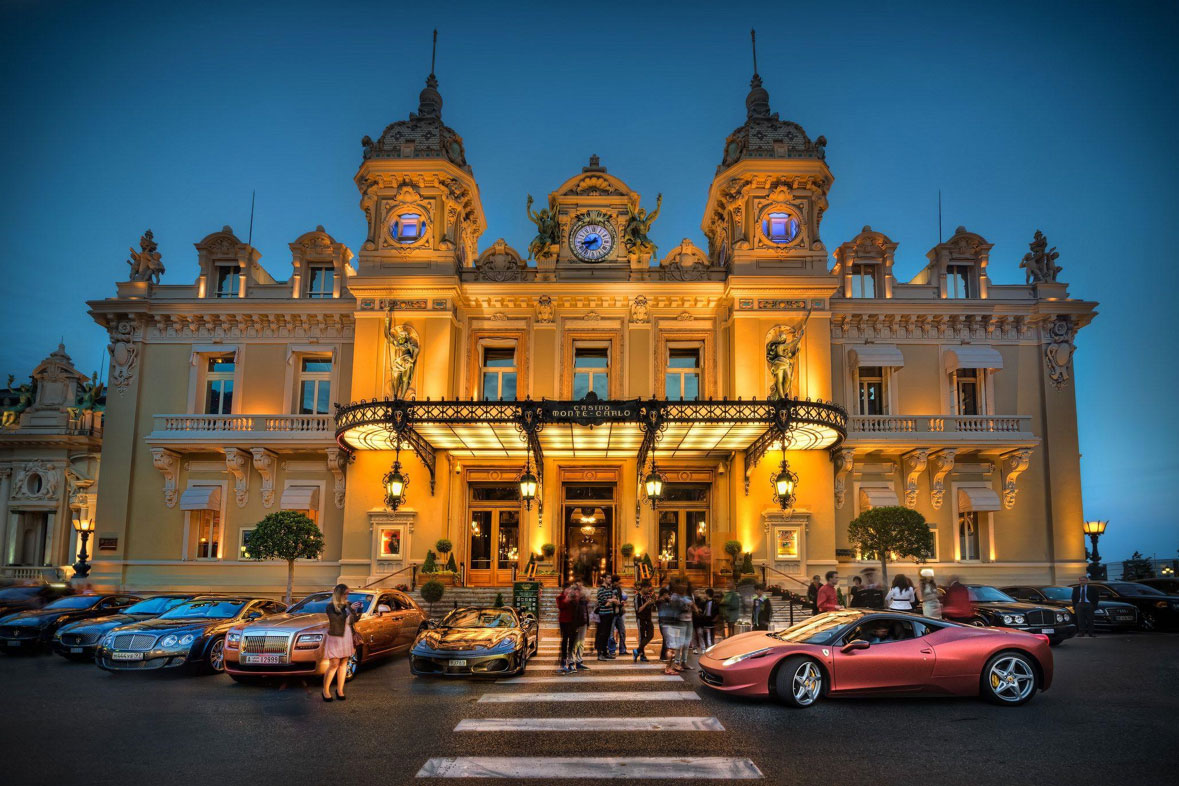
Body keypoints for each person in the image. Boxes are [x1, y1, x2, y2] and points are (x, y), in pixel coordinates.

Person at [323, 583, 361, 702]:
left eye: (348, 593)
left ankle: (340, 690)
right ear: (339, 594)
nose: (347, 596)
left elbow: (354, 619)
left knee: (344, 662)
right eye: (345, 594)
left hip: (347, 635)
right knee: (334, 663)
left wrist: (358, 610)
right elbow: (337, 620)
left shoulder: (348, 605)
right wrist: (349, 609)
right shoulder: (331, 606)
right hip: (336, 636)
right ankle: (325, 690)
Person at [594, 574, 620, 660]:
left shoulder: (610, 589)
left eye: (610, 578)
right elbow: (606, 603)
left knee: (607, 634)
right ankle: (600, 653)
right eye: (608, 578)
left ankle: (605, 652)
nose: (610, 579)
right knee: (602, 634)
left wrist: (611, 600)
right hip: (603, 614)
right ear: (604, 579)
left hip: (610, 614)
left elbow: (616, 601)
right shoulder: (601, 590)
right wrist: (612, 600)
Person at [556, 581, 580, 674]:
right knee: (565, 641)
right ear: (564, 589)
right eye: (568, 588)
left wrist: (575, 597)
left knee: (572, 642)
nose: (569, 590)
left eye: (570, 588)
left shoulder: (574, 598)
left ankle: (571, 662)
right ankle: (563, 661)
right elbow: (561, 606)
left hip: (573, 622)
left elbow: (577, 607)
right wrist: (567, 598)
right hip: (564, 622)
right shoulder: (560, 597)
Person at [633, 582, 656, 661]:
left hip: (648, 619)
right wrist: (647, 603)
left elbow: (652, 609)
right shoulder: (637, 597)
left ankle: (637, 650)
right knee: (642, 637)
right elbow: (638, 610)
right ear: (642, 587)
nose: (648, 589)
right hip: (641, 619)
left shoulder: (648, 596)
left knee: (651, 635)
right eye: (647, 588)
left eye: (649, 588)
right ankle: (642, 655)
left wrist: (652, 602)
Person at [571, 580, 591, 671]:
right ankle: (571, 661)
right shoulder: (573, 598)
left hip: (583, 622)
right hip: (575, 623)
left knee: (581, 643)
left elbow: (586, 611)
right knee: (574, 643)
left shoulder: (584, 601)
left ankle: (579, 661)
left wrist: (588, 623)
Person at [656, 585, 675, 662]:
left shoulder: (665, 601)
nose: (669, 596)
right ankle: (664, 656)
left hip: (666, 622)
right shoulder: (660, 601)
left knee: (666, 639)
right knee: (666, 639)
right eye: (667, 594)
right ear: (664, 594)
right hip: (663, 623)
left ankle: (664, 655)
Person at [610, 575, 627, 655]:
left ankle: (622, 649)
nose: (619, 583)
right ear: (614, 582)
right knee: (611, 633)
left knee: (622, 631)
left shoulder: (619, 589)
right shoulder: (610, 589)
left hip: (619, 612)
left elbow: (620, 599)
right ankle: (612, 650)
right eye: (617, 581)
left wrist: (622, 605)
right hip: (612, 613)